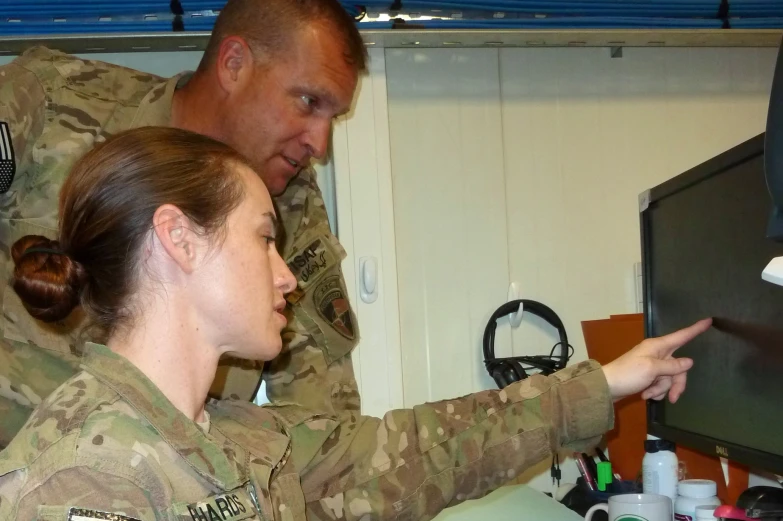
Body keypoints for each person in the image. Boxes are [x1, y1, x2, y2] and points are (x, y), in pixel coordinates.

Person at [0, 127, 710, 521]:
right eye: (261, 237)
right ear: (179, 240)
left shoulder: (239, 438)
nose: (287, 274)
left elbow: (422, 450)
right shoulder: (80, 479)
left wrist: (611, 380)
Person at [0, 0, 367, 448]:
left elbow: (324, 422)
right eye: (309, 102)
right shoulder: (53, 104)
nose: (320, 144)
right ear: (234, 65)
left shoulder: (290, 203)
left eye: (334, 117)